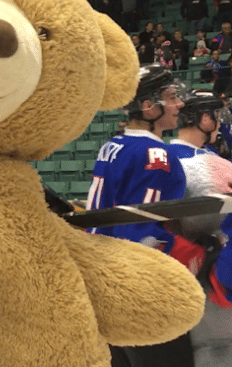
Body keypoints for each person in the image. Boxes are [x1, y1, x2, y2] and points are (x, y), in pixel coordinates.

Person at [87, 65, 192, 367]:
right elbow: (144, 232)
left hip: (102, 275)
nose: (179, 104)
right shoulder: (157, 156)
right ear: (148, 107)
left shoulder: (112, 145)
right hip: (139, 286)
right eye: (172, 98)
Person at [163, 91, 232, 367]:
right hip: (208, 272)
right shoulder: (208, 164)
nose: (219, 123)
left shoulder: (161, 155)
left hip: (178, 270)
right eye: (216, 117)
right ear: (204, 119)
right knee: (217, 349)